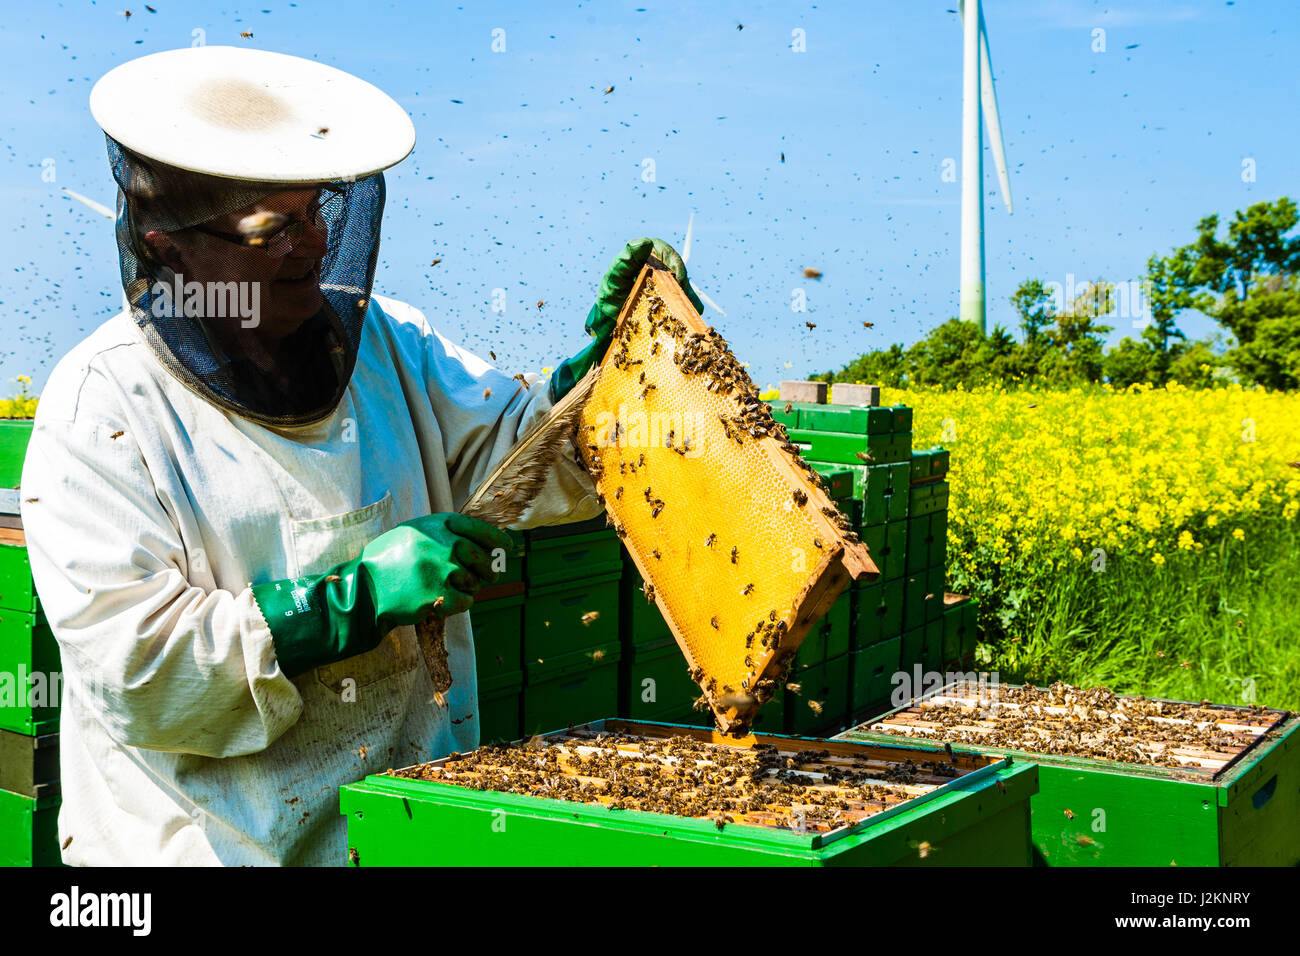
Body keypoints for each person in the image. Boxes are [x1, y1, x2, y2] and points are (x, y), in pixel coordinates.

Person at [20, 45, 700, 866]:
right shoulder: (102, 410)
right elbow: (141, 674)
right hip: (214, 849)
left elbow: (530, 465)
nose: (313, 244)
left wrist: (611, 374)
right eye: (275, 229)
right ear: (169, 248)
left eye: (319, 211)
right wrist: (354, 600)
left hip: (405, 834)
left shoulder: (389, 345)